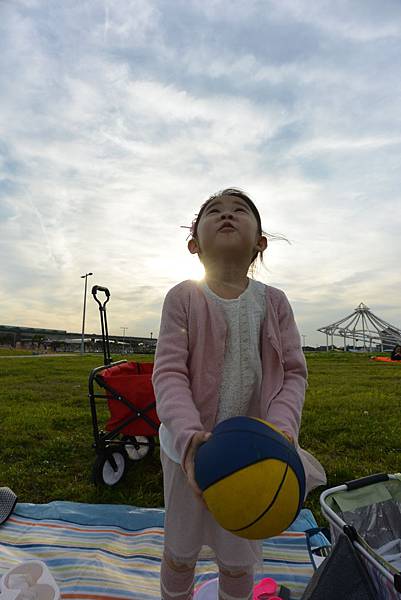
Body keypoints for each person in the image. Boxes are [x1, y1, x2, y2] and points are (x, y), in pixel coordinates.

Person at [152, 188, 326, 600]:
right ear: (194, 244)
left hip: (252, 459)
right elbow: (169, 372)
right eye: (213, 211)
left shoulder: (275, 303)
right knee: (180, 552)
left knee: (238, 558)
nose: (226, 215)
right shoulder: (183, 297)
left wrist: (281, 430)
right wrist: (188, 436)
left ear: (260, 242)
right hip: (185, 455)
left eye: (240, 211)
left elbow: (293, 375)